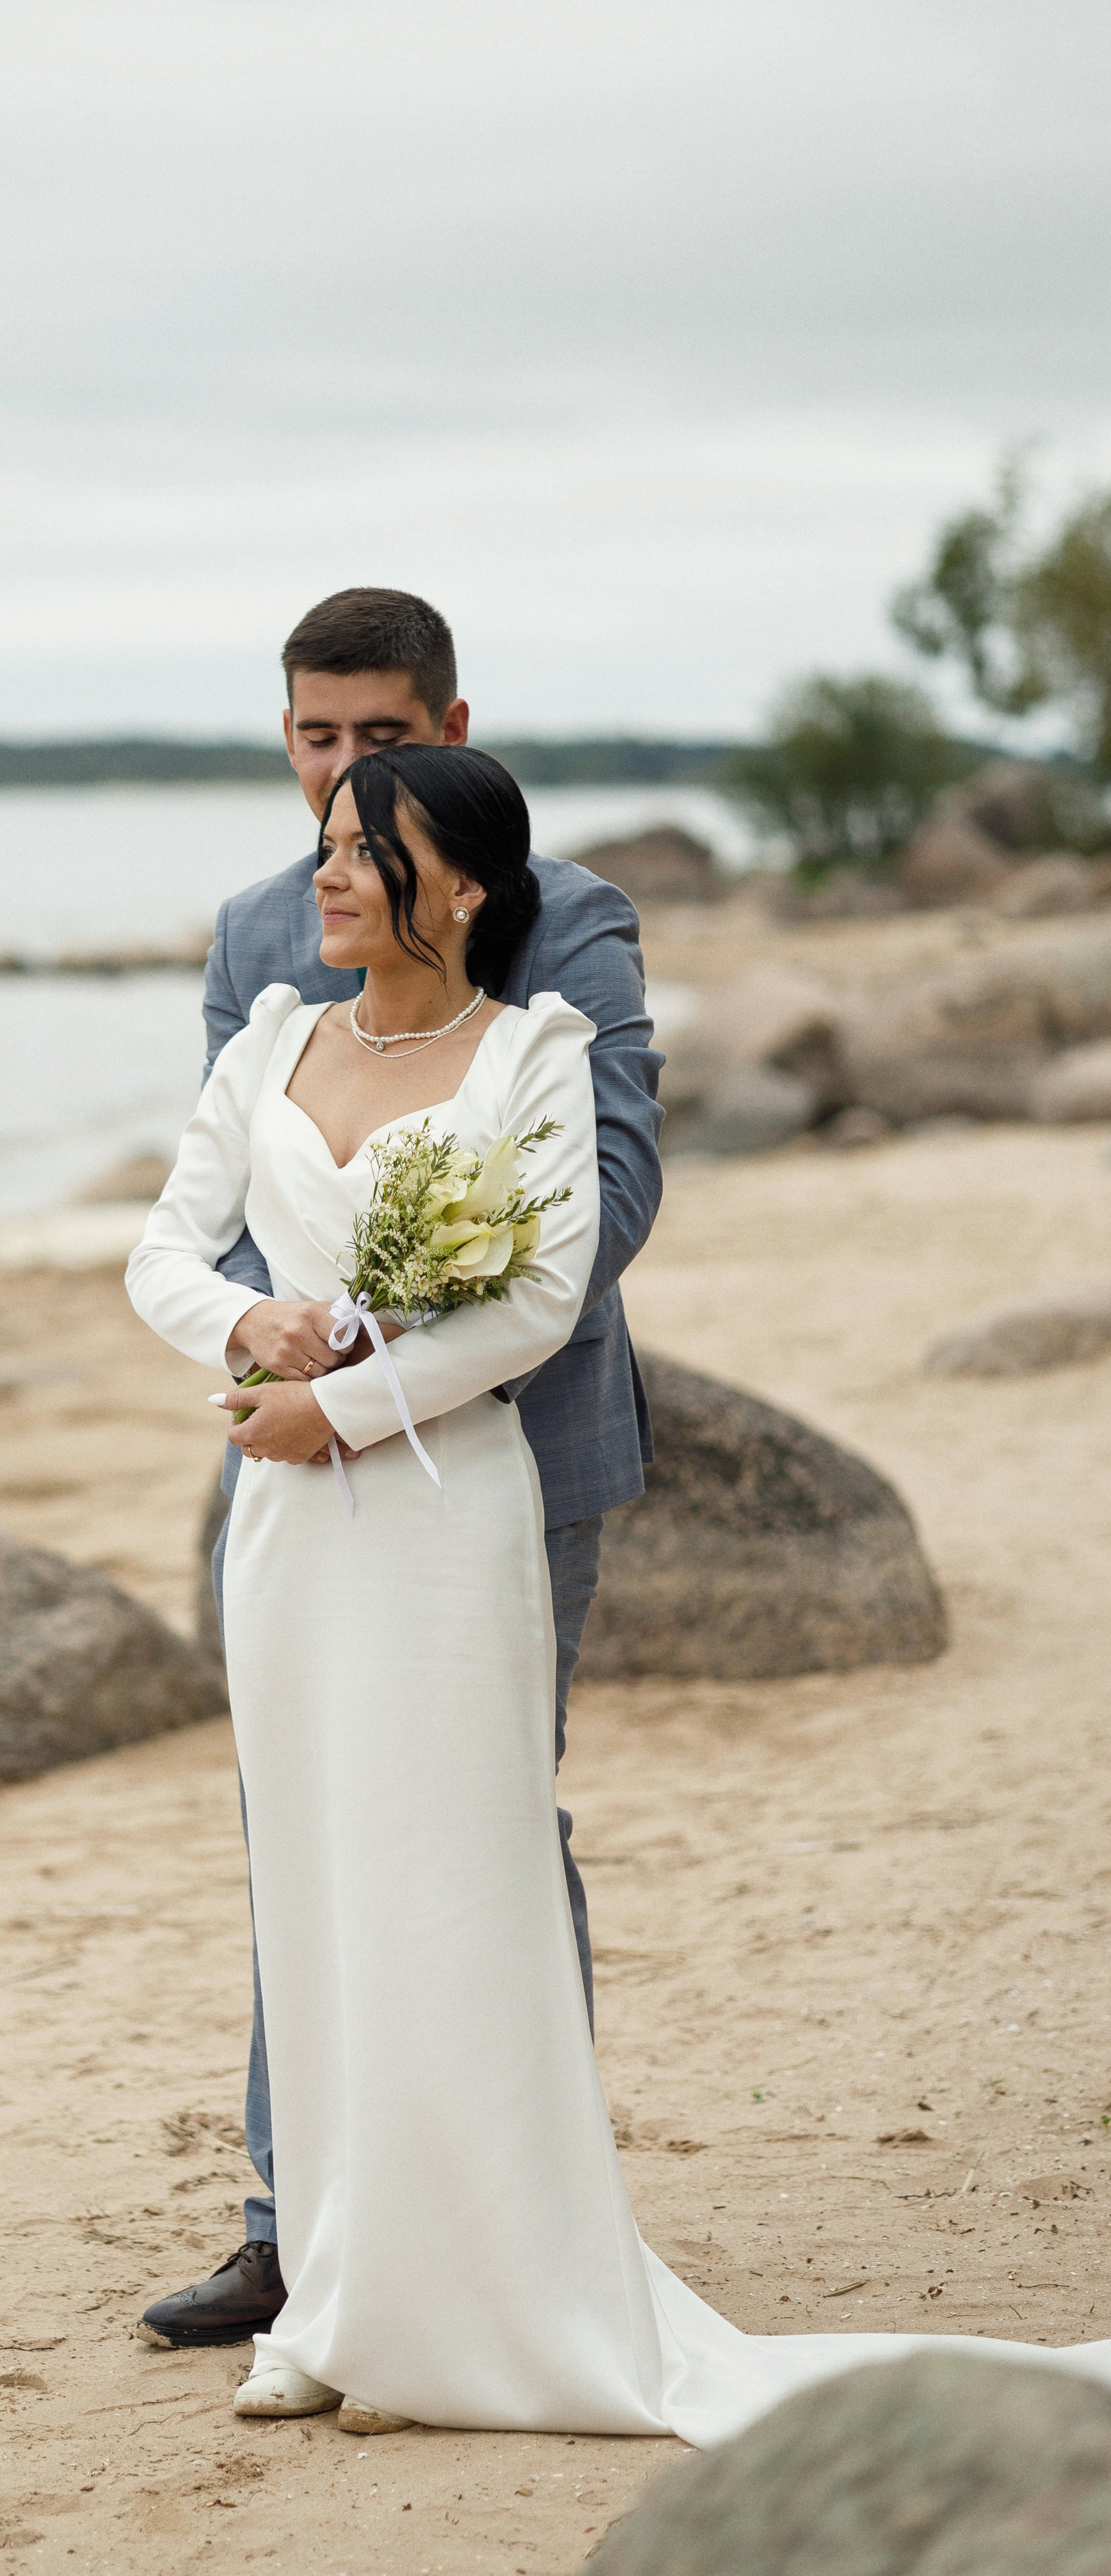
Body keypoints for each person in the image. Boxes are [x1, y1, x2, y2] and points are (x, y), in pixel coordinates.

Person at [126, 743, 1111, 2439]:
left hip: (438, 1522)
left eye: (364, 852)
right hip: (287, 1535)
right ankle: (337, 2293)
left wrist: (342, 1405)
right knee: (309, 1879)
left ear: (464, 889)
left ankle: (498, 2286)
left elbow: (537, 1303)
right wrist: (243, 1329)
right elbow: (159, 1246)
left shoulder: (534, 1054)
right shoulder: (275, 1040)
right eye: (327, 849)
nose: (326, 876)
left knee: (454, 1879)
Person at [138, 588, 664, 2355]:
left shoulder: (565, 922)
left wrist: (387, 1371)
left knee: (491, 1821)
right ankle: (298, 2221)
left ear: (449, 719)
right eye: (316, 737)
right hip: (287, 1482)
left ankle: (523, 2206)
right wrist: (256, 1348)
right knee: (302, 1824)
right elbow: (220, 1213)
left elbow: (607, 1195)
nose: (344, 773)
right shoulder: (254, 939)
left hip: (510, 1453)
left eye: (381, 736)